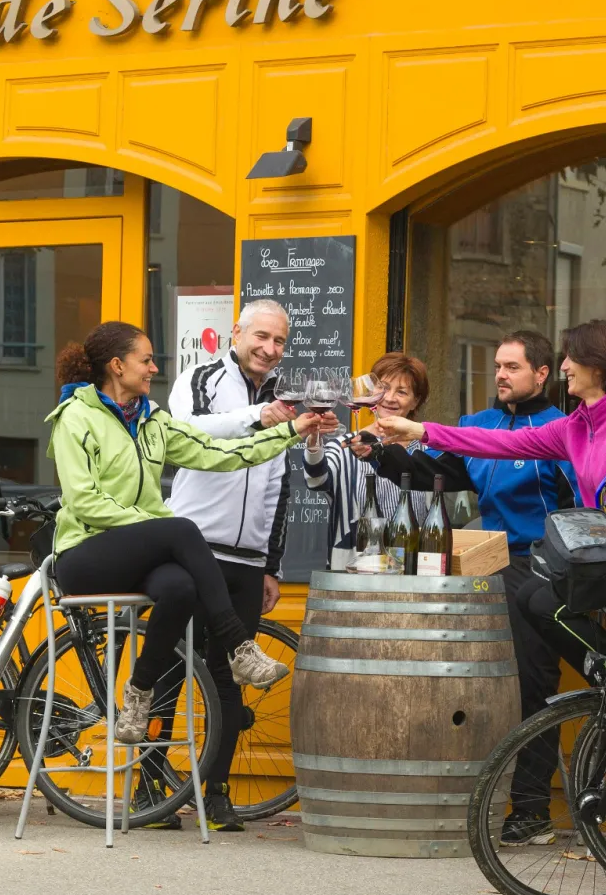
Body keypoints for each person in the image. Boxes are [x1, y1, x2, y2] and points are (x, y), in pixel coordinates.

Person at [375, 319, 606, 842]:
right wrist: (420, 432)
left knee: (539, 605)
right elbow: (498, 445)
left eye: (571, 358)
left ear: (599, 364)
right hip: (590, 564)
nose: (565, 367)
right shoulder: (575, 425)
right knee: (539, 604)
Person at [47, 320, 326, 777]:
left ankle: (138, 693)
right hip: (84, 554)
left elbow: (221, 453)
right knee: (179, 528)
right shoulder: (75, 417)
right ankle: (239, 647)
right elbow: (83, 501)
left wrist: (292, 430)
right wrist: (156, 526)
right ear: (117, 366)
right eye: (146, 360)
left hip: (138, 553)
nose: (154, 368)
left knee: (180, 588)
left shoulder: (152, 422)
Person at [354, 333, 581, 841]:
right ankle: (467, 799)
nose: (500, 374)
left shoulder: (558, 430)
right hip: (485, 564)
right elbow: (429, 472)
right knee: (475, 686)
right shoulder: (479, 426)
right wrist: (377, 453)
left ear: (542, 373)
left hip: (541, 567)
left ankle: (532, 811)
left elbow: (579, 504)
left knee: (532, 686)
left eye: (512, 367)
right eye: (497, 365)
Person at [162, 299, 319, 831]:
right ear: (237, 332)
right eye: (262, 337)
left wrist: (271, 565)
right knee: (168, 670)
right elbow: (185, 433)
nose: (270, 349)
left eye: (280, 342)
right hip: (193, 550)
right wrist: (257, 416)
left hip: (246, 563)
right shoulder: (201, 377)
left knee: (231, 679)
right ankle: (148, 786)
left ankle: (217, 793)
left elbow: (279, 486)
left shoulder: (282, 397)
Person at [303, 353, 430, 570]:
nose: (390, 398)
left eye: (401, 392)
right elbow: (316, 480)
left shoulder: (426, 452)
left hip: (412, 571)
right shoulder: (345, 446)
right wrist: (314, 438)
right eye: (384, 388)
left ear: (415, 401)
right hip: (353, 573)